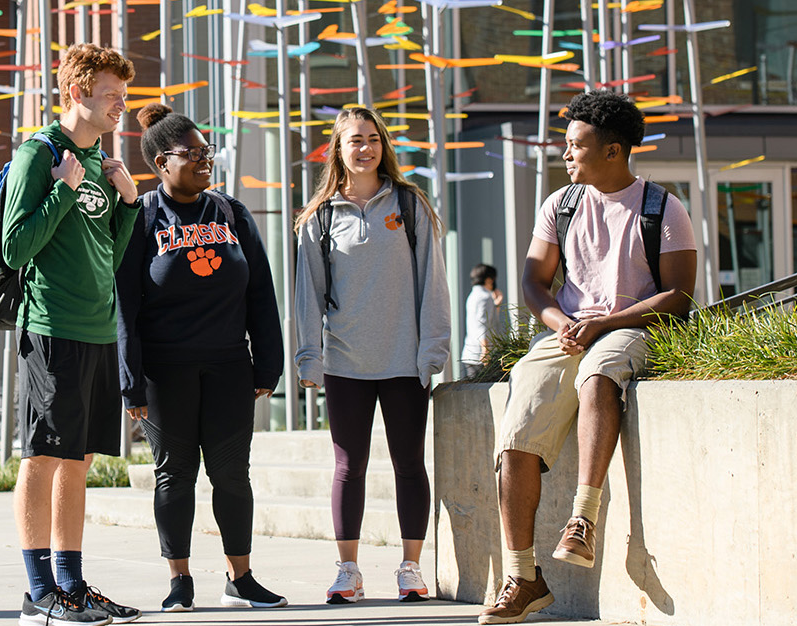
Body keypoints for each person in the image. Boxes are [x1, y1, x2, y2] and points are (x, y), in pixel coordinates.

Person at [477, 91, 698, 624]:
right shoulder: (562, 205)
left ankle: (583, 520)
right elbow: (533, 281)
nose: (566, 155)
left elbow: (678, 296)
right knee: (516, 432)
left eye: (577, 146)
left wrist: (606, 323)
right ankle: (523, 575)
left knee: (600, 377)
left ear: (615, 151)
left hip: (633, 327)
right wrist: (562, 324)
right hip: (569, 330)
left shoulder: (663, 208)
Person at [116, 103, 288, 612]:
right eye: (189, 153)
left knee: (233, 474)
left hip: (229, 364)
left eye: (205, 151)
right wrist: (130, 379)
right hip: (164, 370)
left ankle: (241, 577)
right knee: (175, 474)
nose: (202, 160)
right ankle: (180, 580)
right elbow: (124, 302)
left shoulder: (231, 211)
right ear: (160, 163)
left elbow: (261, 291)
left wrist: (268, 362)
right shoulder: (143, 217)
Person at [0, 43, 145, 626]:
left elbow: (105, 256)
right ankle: (38, 591)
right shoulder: (38, 155)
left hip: (96, 329)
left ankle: (71, 582)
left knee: (79, 459)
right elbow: (15, 247)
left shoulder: (104, 160)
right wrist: (63, 187)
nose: (120, 106)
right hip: (51, 327)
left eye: (123, 96)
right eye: (112, 95)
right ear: (78, 92)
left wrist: (129, 202)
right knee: (43, 456)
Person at [293, 107, 451, 605]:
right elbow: (307, 295)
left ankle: (410, 567)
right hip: (345, 363)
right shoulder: (318, 218)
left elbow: (433, 282)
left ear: (383, 146)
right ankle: (348, 571)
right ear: (337, 151)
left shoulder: (409, 204)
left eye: (372, 139)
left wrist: (433, 349)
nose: (364, 149)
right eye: (354, 141)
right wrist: (308, 358)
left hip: (405, 361)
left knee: (410, 463)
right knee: (348, 466)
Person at [461, 264, 507, 379]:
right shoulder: (485, 297)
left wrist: (496, 305)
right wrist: (485, 351)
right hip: (480, 355)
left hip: (470, 352)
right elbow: (482, 325)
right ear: (488, 279)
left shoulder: (473, 296)